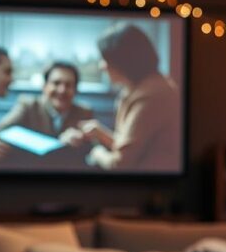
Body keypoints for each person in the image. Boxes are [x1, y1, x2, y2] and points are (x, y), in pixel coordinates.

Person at [75, 24, 182, 171]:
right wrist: (100, 133)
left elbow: (119, 164)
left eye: (106, 59)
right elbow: (134, 148)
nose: (101, 66)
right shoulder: (144, 87)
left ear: (124, 62)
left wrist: (96, 153)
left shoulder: (150, 97)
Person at [0, 61, 94, 145]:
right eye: (56, 83)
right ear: (44, 86)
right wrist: (58, 142)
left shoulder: (84, 113)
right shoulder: (28, 106)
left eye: (68, 85)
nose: (62, 90)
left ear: (75, 90)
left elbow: (94, 147)